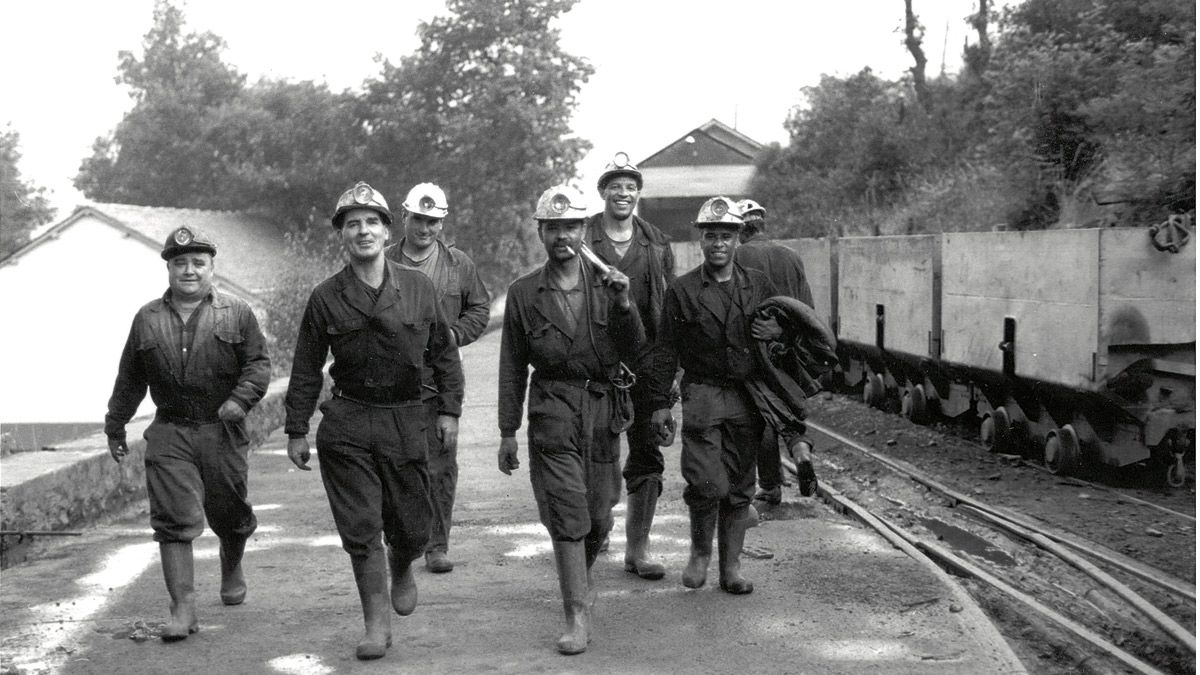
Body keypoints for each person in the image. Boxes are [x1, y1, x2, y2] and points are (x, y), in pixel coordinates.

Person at [284, 181, 463, 661]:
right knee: (361, 528)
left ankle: (402, 564)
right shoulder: (325, 297)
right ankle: (375, 623)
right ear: (341, 236)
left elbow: (444, 356)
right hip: (348, 420)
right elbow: (305, 366)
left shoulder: (419, 287)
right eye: (352, 224)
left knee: (410, 525)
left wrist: (449, 410)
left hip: (408, 417)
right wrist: (297, 428)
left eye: (371, 222)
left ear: (387, 231)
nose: (362, 231)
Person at [497, 184, 643, 654]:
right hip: (552, 409)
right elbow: (512, 365)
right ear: (541, 233)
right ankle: (575, 614)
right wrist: (507, 432)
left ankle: (582, 575)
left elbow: (634, 348)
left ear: (585, 230)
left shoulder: (610, 283)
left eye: (572, 227)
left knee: (599, 513)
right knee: (567, 513)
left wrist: (625, 305)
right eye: (553, 227)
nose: (563, 236)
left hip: (601, 408)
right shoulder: (523, 294)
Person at [105, 226, 270, 642]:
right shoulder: (147, 318)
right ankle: (183, 608)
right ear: (169, 269)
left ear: (212, 267)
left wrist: (241, 398)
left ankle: (231, 568)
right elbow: (130, 378)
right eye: (180, 263)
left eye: (198, 263)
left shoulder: (237, 312)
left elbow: (258, 365)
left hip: (222, 429)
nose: (189, 271)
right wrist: (116, 423)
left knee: (229, 513)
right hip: (171, 429)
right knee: (173, 519)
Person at [646, 196, 782, 595]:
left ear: (739, 238)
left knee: (740, 486)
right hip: (703, 393)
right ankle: (700, 552)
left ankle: (732, 568)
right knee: (706, 482)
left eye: (726, 235)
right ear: (701, 240)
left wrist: (778, 334)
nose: (718, 243)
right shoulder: (683, 290)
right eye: (710, 236)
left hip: (747, 396)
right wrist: (658, 405)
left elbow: (787, 333)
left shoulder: (758, 286)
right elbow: (665, 351)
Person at [384, 182, 491, 574]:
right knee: (394, 465)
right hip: (393, 381)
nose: (425, 228)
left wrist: (453, 335)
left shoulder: (458, 265)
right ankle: (400, 541)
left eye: (433, 222)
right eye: (418, 219)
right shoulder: (382, 260)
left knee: (440, 465)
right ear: (404, 217)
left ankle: (436, 545)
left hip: (439, 378)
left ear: (442, 223)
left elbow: (479, 308)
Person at [584, 151, 675, 580]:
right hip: (595, 359)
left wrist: (670, 370)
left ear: (638, 194)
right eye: (615, 186)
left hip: (645, 360)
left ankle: (637, 551)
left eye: (631, 187)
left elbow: (669, 306)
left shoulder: (655, 241)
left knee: (647, 453)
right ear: (602, 192)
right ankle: (595, 529)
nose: (623, 193)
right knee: (594, 453)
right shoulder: (582, 239)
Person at [733, 199, 817, 503]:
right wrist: (787, 334)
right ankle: (800, 449)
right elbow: (808, 310)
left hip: (752, 347)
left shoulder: (737, 255)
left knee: (762, 415)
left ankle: (770, 485)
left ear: (740, 229)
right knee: (786, 404)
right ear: (762, 224)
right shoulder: (791, 256)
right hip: (787, 347)